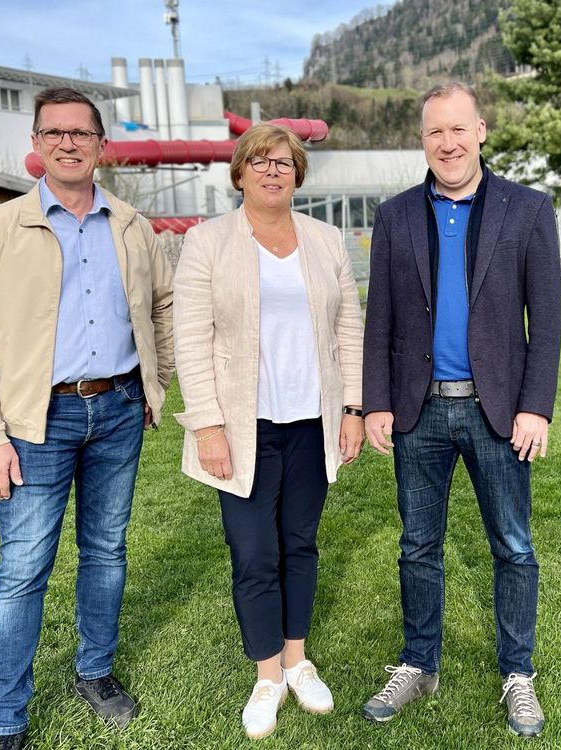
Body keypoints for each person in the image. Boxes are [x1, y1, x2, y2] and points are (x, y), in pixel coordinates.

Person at [0, 87, 174, 750]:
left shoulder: (132, 225)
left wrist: (155, 382)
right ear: (37, 145)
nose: (68, 143)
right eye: (55, 133)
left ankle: (94, 672)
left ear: (102, 146)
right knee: (22, 568)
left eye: (81, 133)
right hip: (34, 420)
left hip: (119, 410)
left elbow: (162, 306)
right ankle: (5, 717)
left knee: (106, 551)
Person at [359, 82, 561, 737]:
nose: (447, 143)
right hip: (418, 412)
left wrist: (536, 408)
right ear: (423, 140)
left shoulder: (527, 209)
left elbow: (546, 322)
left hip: (497, 411)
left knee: (514, 547)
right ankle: (419, 663)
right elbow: (380, 318)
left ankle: (518, 673)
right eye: (434, 132)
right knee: (418, 546)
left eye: (457, 129)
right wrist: (376, 402)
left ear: (480, 131)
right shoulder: (395, 216)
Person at [172, 123, 364, 740]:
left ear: (297, 174)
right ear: (239, 173)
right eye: (259, 161)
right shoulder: (207, 242)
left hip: (312, 421)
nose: (272, 171)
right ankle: (267, 677)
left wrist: (354, 409)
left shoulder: (326, 240)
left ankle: (297, 660)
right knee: (254, 552)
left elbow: (349, 329)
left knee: (300, 545)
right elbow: (190, 340)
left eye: (283, 162)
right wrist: (207, 425)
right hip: (241, 425)